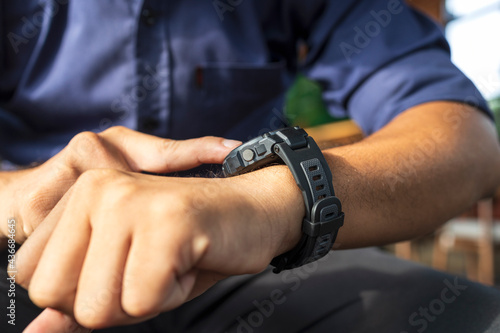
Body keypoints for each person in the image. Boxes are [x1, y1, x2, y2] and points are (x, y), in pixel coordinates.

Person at [1, 0, 500, 332]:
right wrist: (16, 194)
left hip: (242, 265)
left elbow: (467, 139)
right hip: (19, 262)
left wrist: (271, 203)